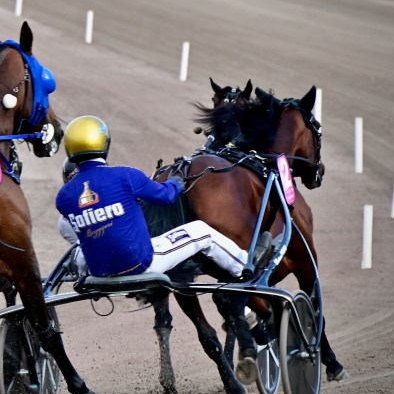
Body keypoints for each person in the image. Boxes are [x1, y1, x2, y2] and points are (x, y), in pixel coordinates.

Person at [55, 116, 270, 281]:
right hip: (141, 264)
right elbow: (166, 196)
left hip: (97, 271)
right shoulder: (126, 175)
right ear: (104, 144)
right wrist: (176, 182)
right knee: (201, 231)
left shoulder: (63, 197)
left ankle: (80, 274)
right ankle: (244, 264)